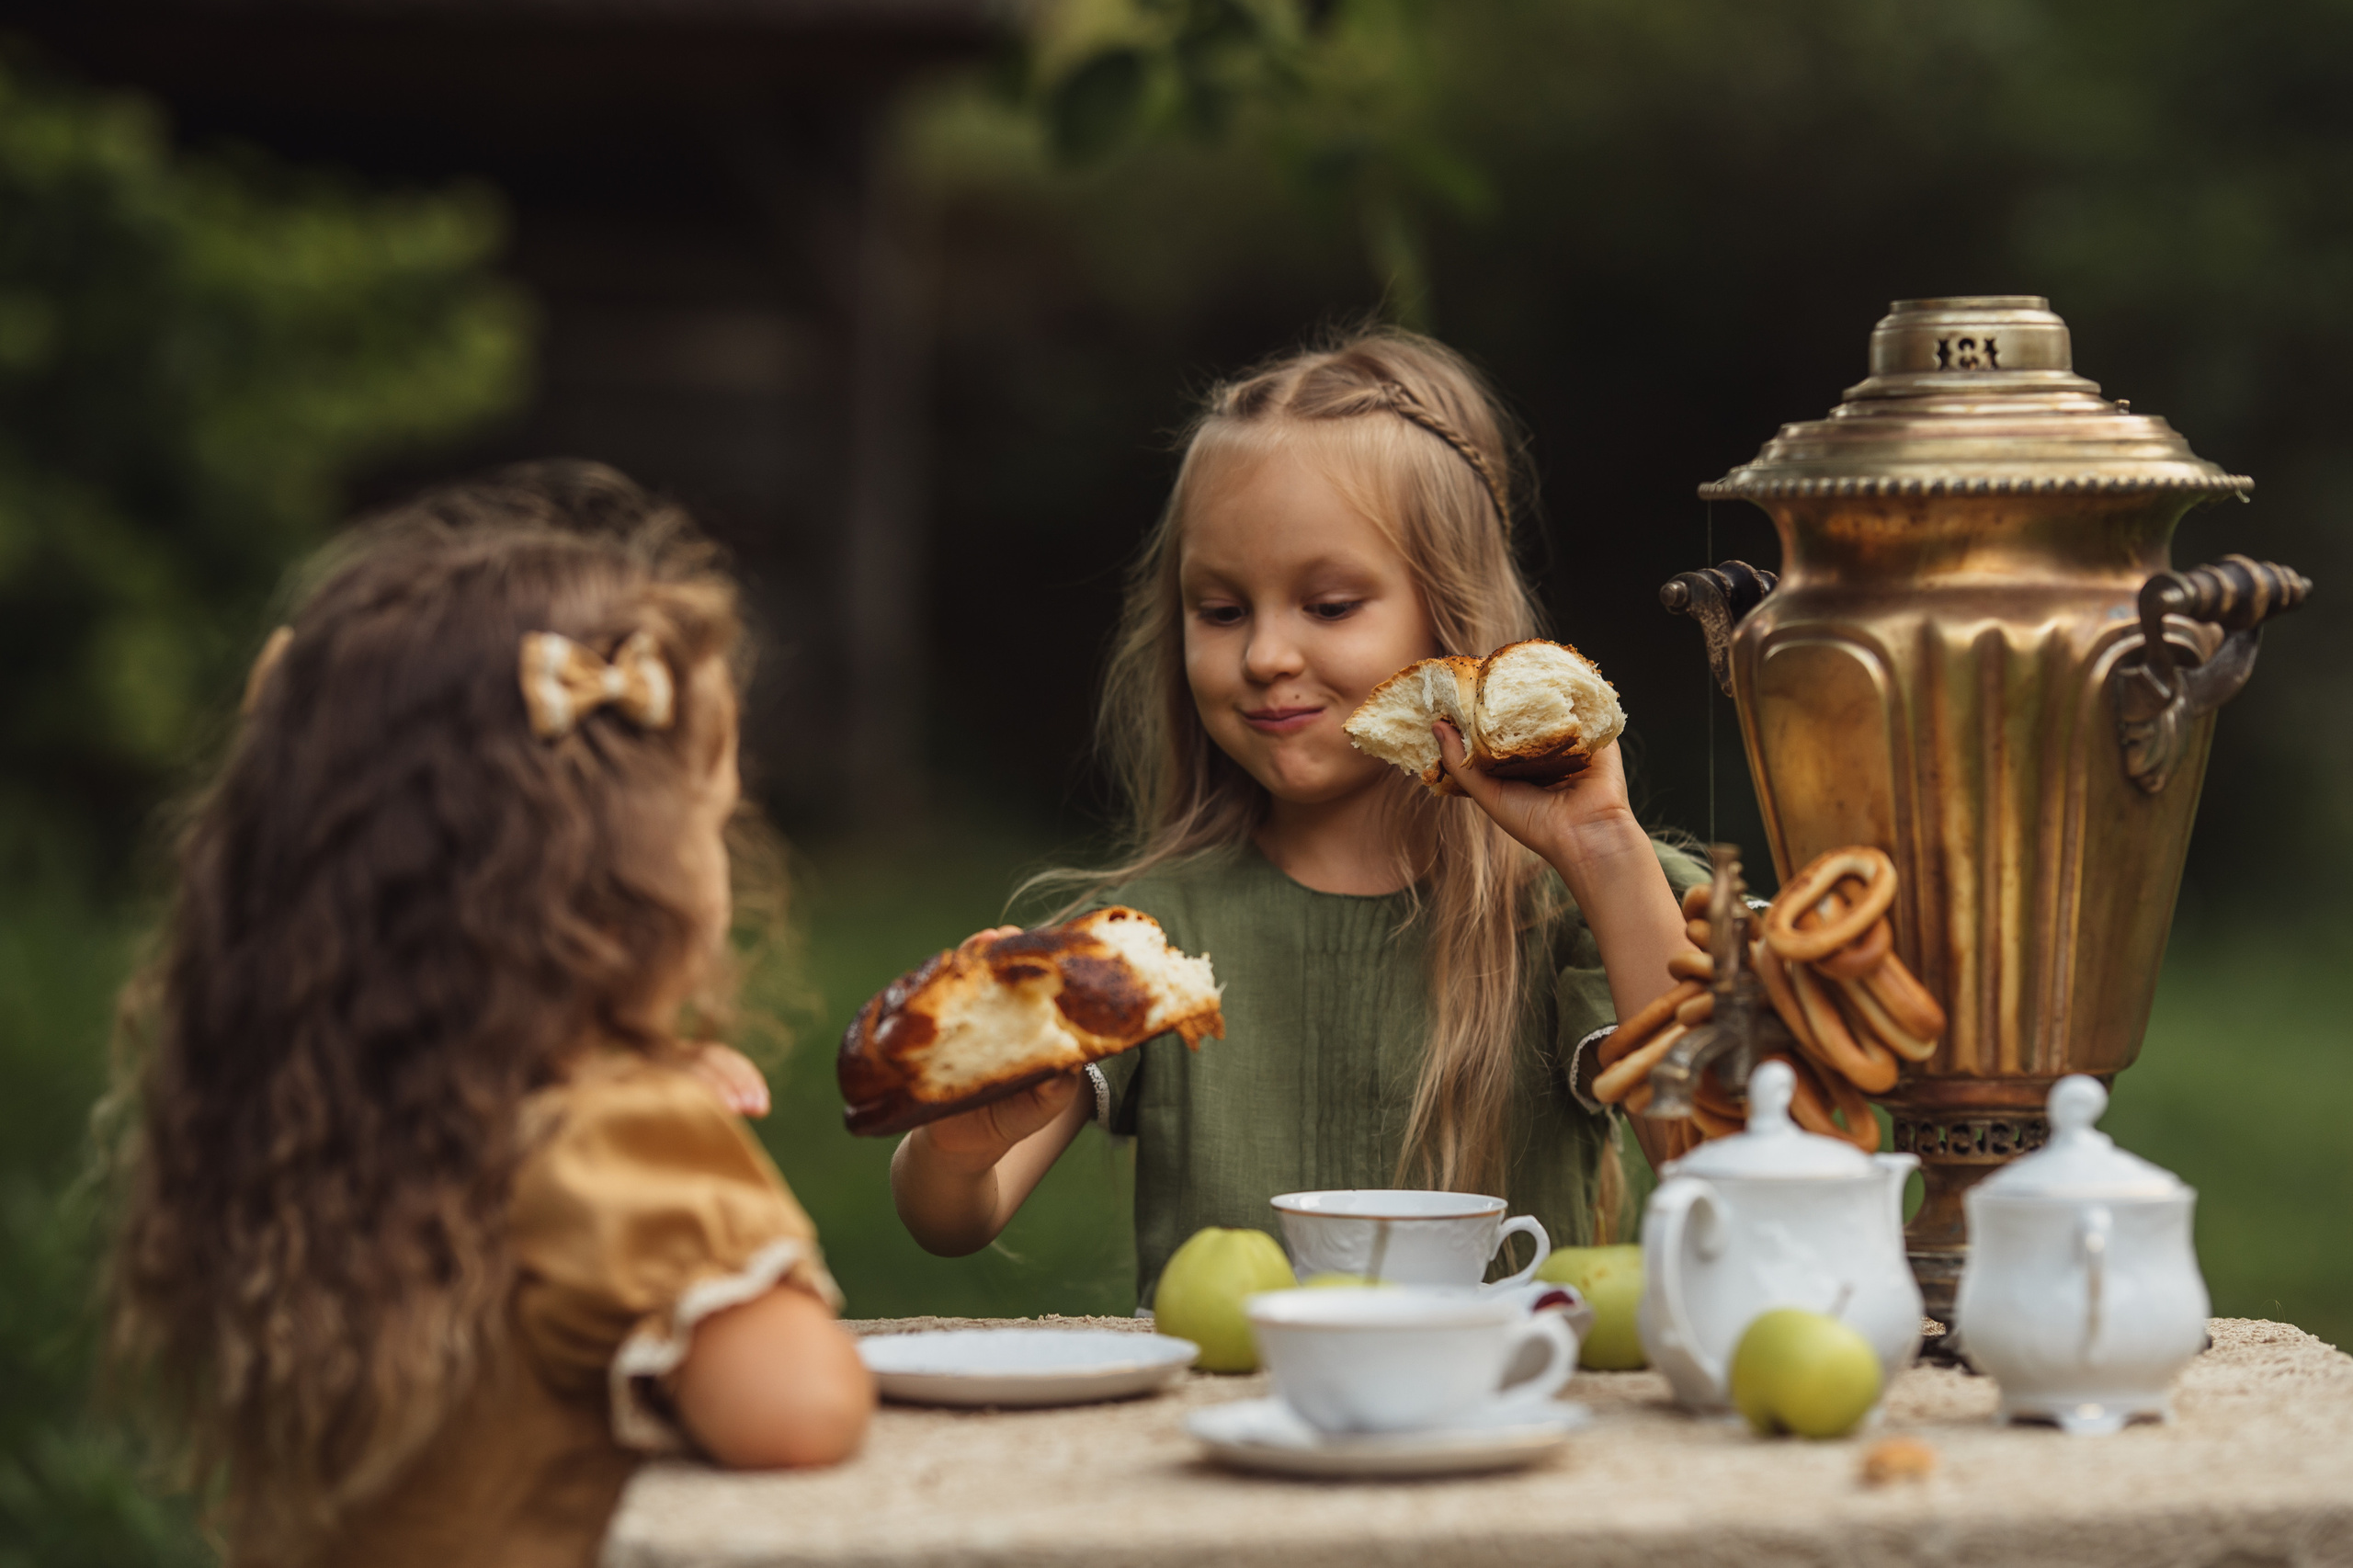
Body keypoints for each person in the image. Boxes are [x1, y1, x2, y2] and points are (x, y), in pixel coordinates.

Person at [107, 466, 872, 1568]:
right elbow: (796, 1408)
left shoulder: (316, 1106)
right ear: (627, 874)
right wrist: (695, 1165)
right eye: (713, 819)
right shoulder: (609, 1138)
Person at [890, 329, 1706, 1302]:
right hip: (1230, 1435)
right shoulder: (1144, 941)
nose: (1267, 653)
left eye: (1327, 604)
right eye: (1221, 610)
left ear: (1449, 617)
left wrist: (1606, 849)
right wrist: (954, 1143)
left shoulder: (1575, 908)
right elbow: (955, 1219)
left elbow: (1709, 1162)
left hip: (1510, 1414)